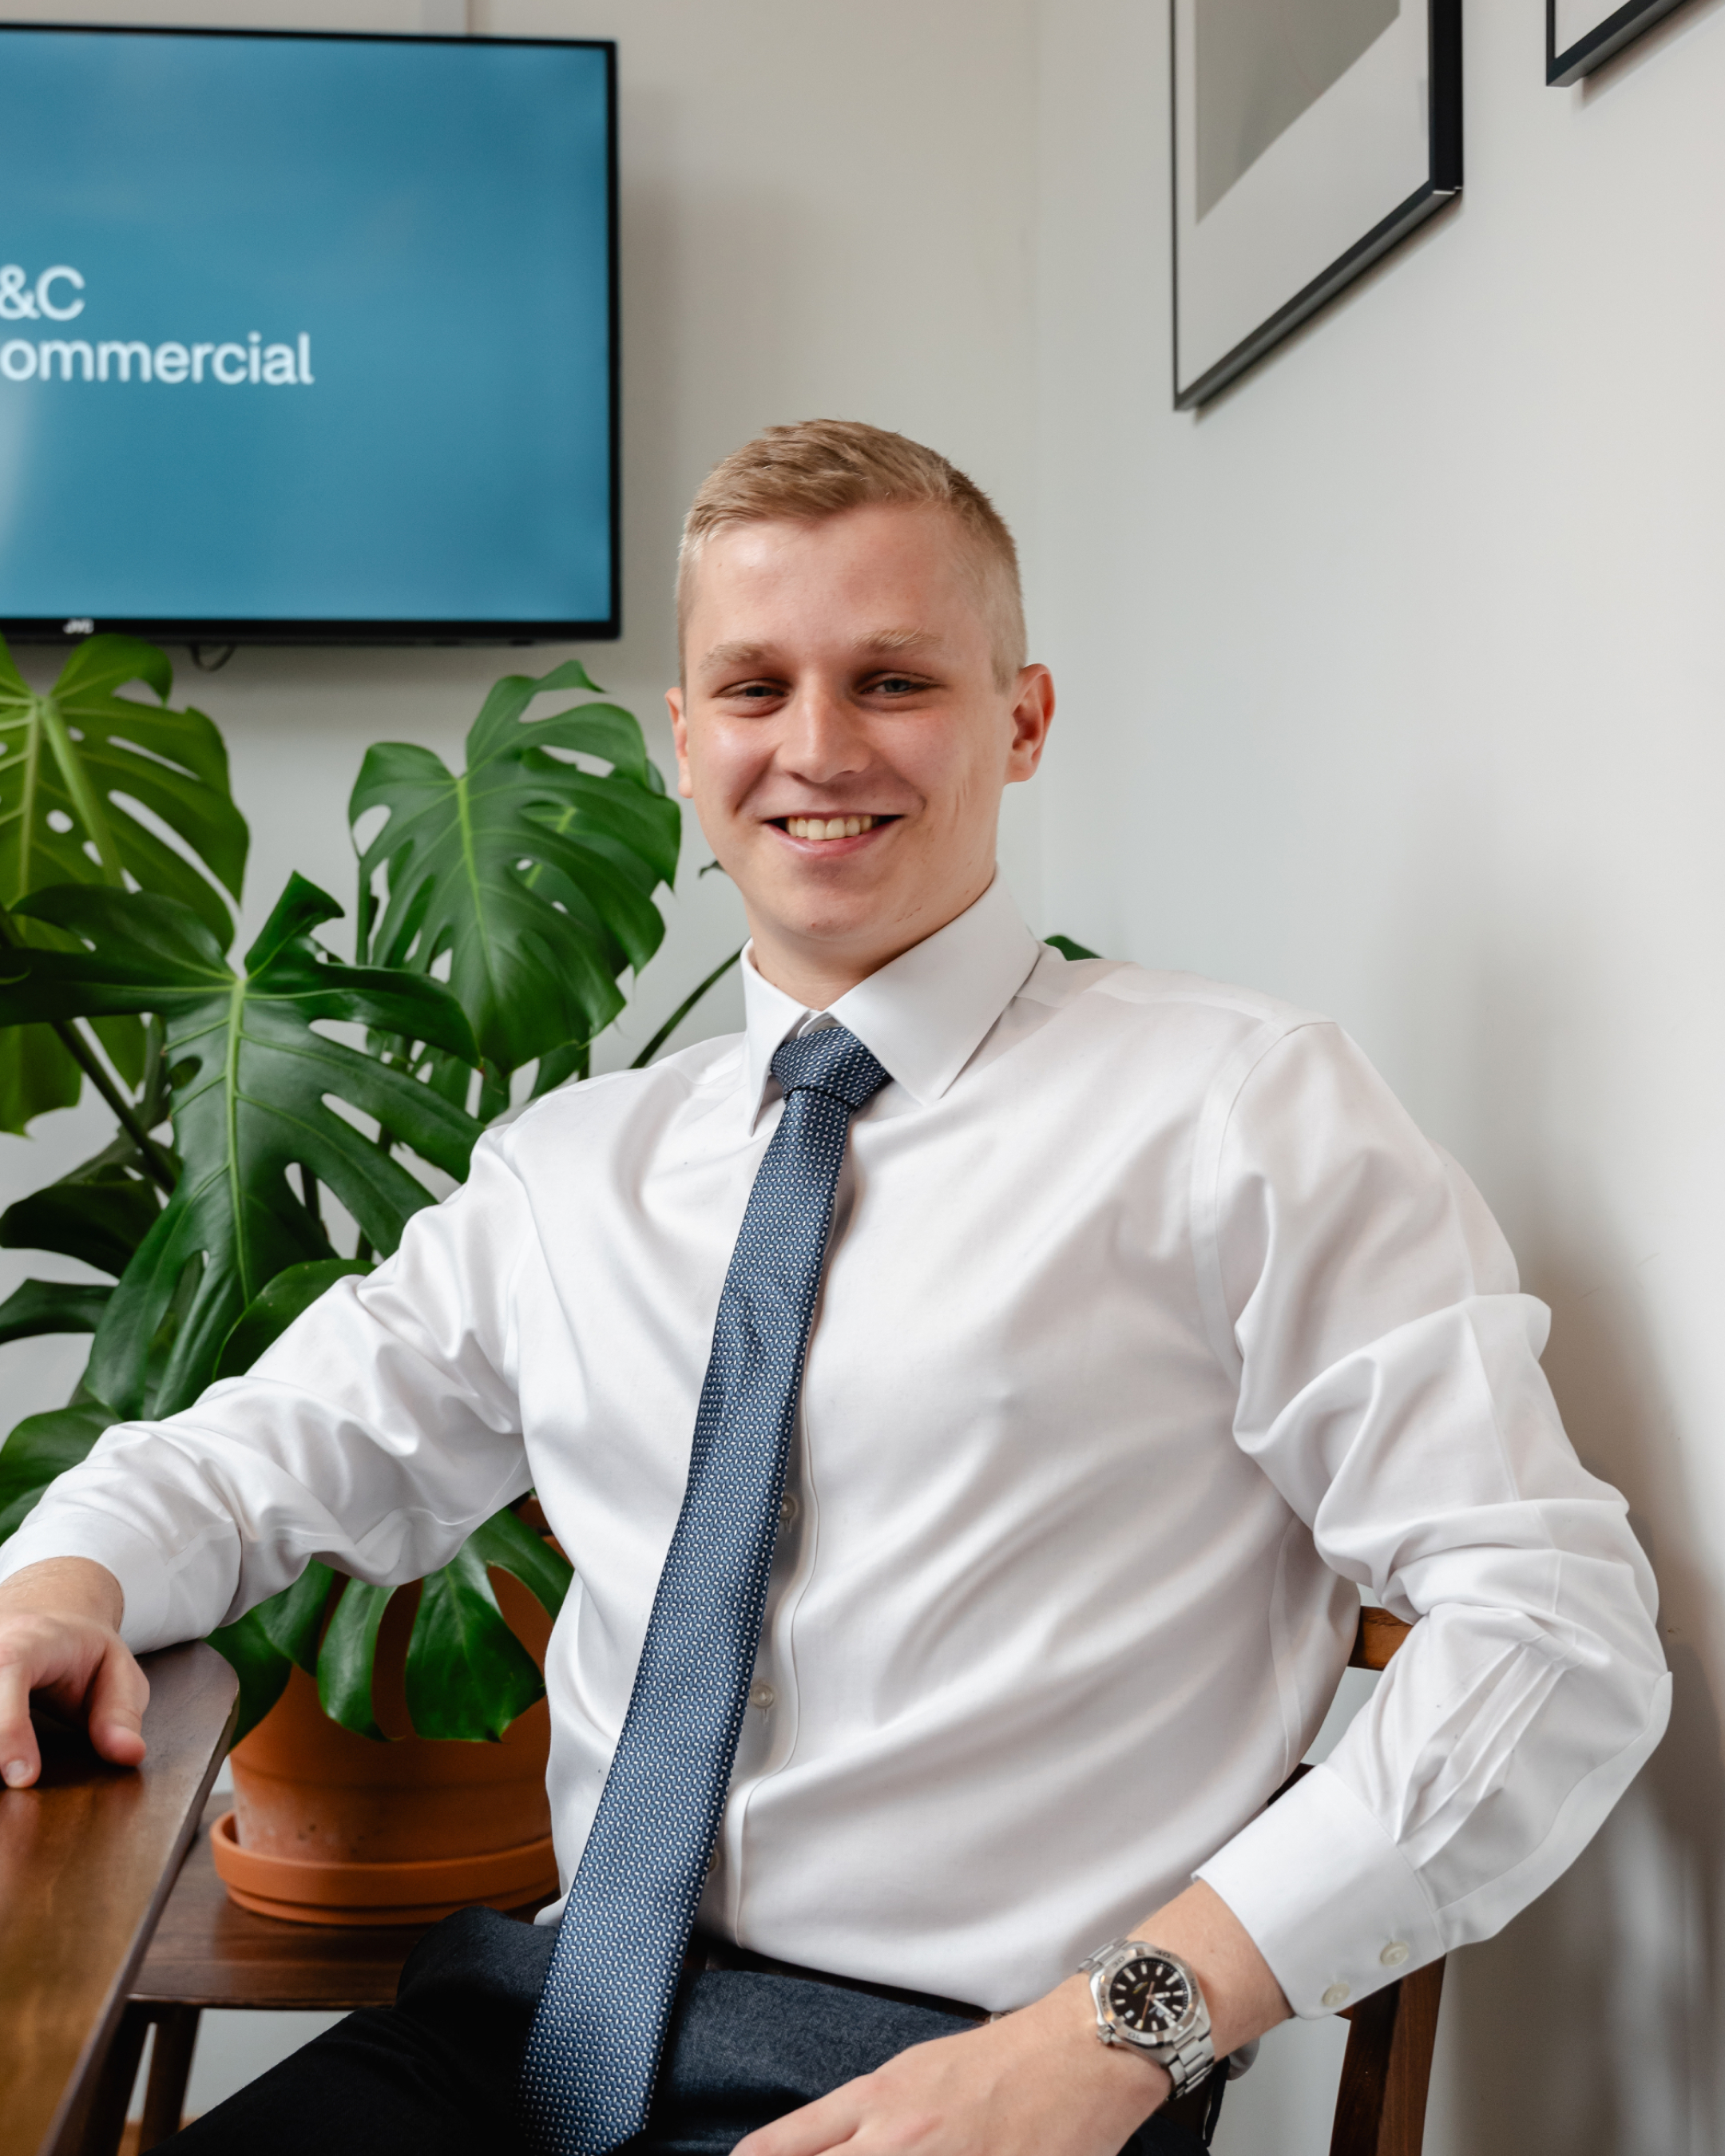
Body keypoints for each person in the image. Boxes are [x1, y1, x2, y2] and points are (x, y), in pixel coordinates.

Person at [0, 421, 1669, 2156]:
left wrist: (1122, 2034)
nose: (816, 748)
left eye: (891, 681)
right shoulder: (569, 1174)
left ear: (1021, 720)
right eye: (753, 687)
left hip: (980, 2083)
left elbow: (1557, 1629)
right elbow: (255, 1452)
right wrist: (58, 1587)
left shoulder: (1239, 1112)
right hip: (529, 2045)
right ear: (682, 738)